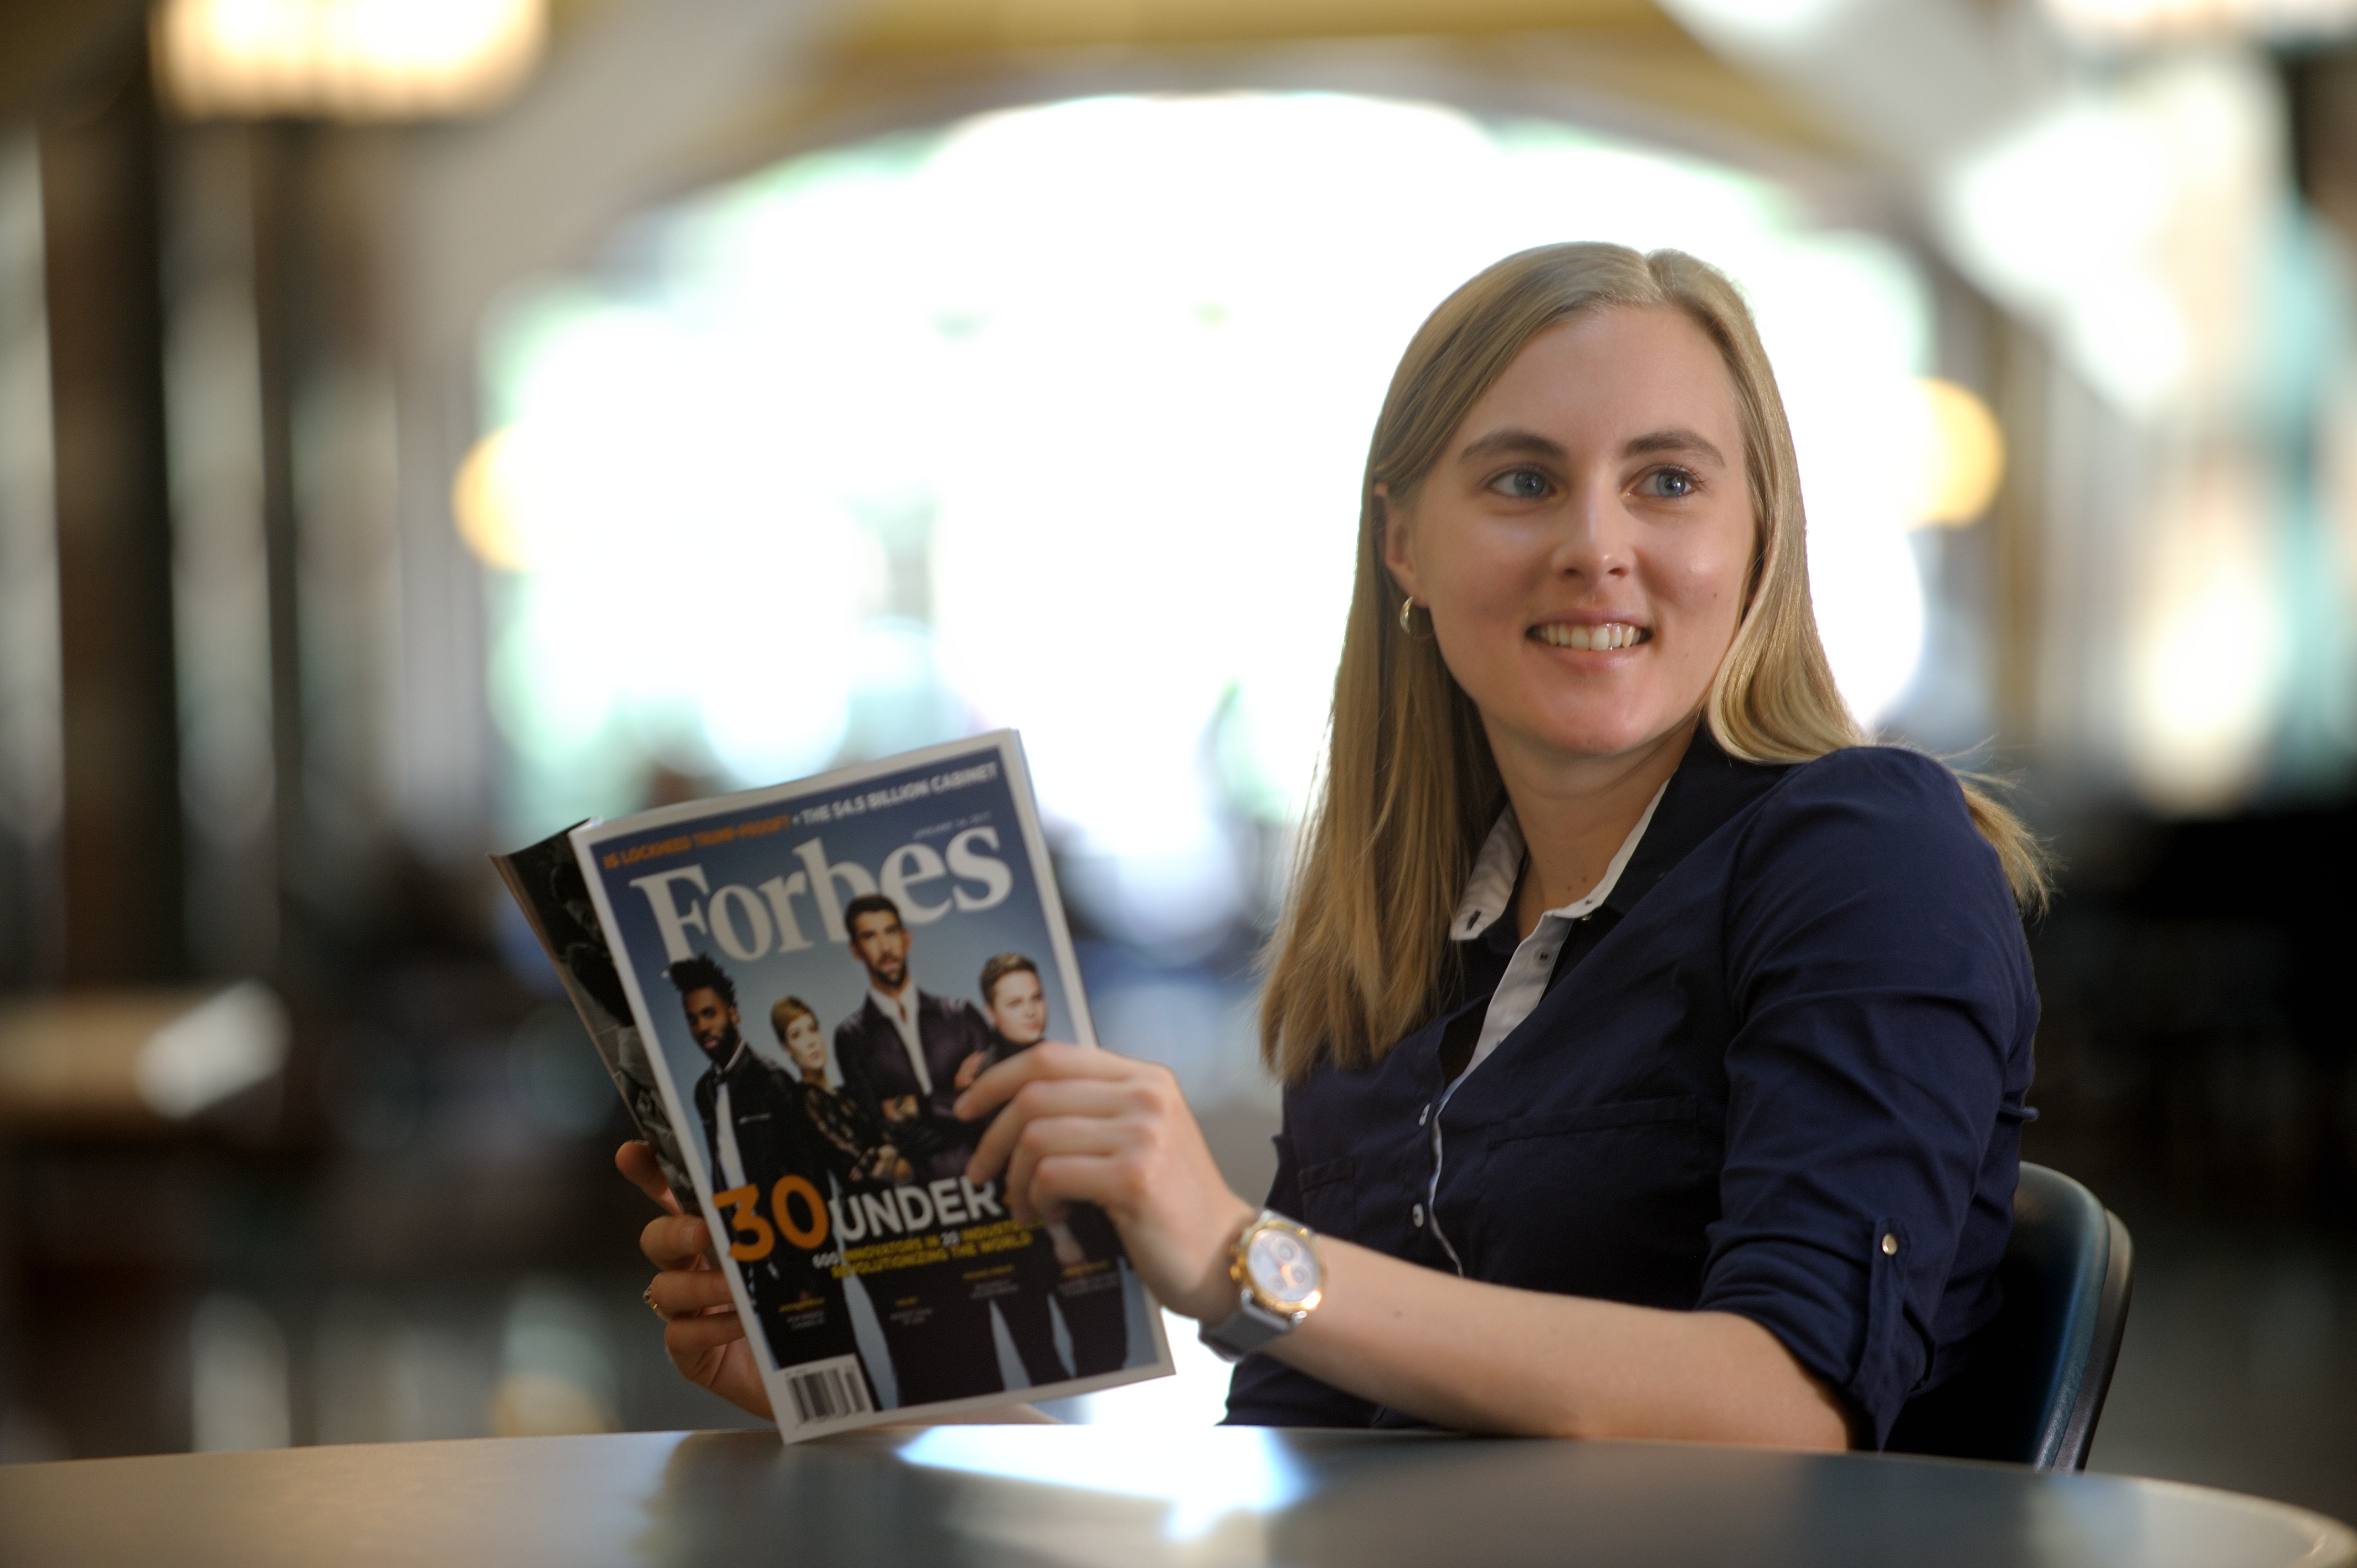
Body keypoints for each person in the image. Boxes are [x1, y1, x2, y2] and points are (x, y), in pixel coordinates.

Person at [622, 241, 2042, 1447]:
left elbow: (1779, 1405)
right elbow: (1296, 1454)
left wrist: (1243, 1254)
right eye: (1524, 482)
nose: (1597, 545)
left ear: (1759, 538)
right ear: (1404, 546)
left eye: (1667, 482)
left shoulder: (1864, 849)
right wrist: (895, 1388)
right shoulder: (1396, 939)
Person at [666, 956, 866, 1379]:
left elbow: (811, 1185)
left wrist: (810, 1274)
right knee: (796, 1381)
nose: (703, 1027)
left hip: (803, 1268)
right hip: (753, 1267)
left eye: (710, 1013)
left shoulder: (773, 1082)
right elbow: (727, 1174)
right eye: (693, 1019)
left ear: (732, 1014)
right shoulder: (705, 1091)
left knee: (842, 1373)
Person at [966, 952, 1134, 1378]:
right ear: (991, 1012)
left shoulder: (1061, 1060)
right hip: (1045, 1239)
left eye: (1036, 998)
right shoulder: (991, 1078)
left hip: (1088, 1229)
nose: (1031, 1011)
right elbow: (1015, 1173)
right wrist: (1061, 1237)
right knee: (1059, 1365)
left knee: (1107, 1357)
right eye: (1015, 1003)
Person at [829, 894, 997, 1183]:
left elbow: (993, 1100)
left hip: (991, 1177)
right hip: (923, 1192)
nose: (885, 948)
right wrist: (958, 1107)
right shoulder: (851, 1037)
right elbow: (879, 1129)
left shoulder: (960, 1016)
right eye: (870, 937)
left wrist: (915, 1107)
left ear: (907, 939)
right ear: (856, 950)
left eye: (891, 932)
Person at [769, 995, 912, 1188]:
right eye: (797, 1035)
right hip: (863, 1209)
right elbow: (873, 1167)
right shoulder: (806, 1099)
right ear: (786, 1048)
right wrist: (885, 1154)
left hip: (898, 1201)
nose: (811, 1042)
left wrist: (886, 1152)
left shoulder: (846, 1093)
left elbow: (898, 1145)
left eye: (813, 1029)